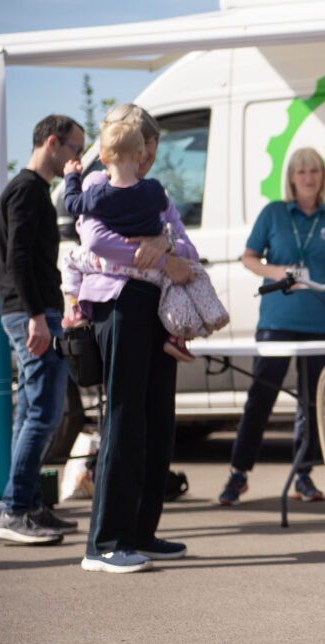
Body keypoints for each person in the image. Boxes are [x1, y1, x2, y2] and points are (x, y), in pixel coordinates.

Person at [75, 103, 202, 573]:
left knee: (156, 425)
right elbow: (94, 242)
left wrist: (166, 246)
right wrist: (157, 254)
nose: (149, 159)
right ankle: (104, 543)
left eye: (152, 152)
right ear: (127, 144)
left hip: (155, 311)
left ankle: (141, 533)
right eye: (146, 149)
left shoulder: (154, 190)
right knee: (124, 423)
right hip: (119, 305)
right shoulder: (94, 184)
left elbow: (188, 245)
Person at [218, 146, 325, 506]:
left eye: (314, 171)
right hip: (276, 322)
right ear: (291, 178)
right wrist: (276, 272)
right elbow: (249, 258)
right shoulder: (274, 213)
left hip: (317, 321)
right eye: (301, 172)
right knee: (260, 399)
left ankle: (304, 476)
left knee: (312, 402)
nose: (308, 177)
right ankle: (239, 473)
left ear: (322, 177)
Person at [0, 114, 86, 545]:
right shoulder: (27, 191)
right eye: (75, 149)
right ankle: (15, 512)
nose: (78, 159)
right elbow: (19, 259)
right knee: (44, 413)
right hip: (33, 313)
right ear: (53, 142)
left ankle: (26, 504)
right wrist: (34, 316)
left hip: (33, 310)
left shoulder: (28, 190)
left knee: (33, 413)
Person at [60, 119, 228, 360]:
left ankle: (75, 308)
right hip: (146, 278)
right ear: (140, 155)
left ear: (103, 158)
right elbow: (99, 238)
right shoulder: (154, 191)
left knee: (68, 260)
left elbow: (73, 205)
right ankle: (180, 337)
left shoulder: (98, 194)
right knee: (183, 281)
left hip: (114, 266)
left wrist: (71, 177)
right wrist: (162, 248)